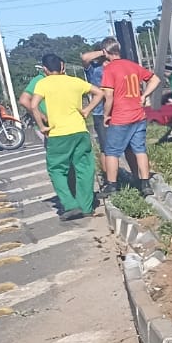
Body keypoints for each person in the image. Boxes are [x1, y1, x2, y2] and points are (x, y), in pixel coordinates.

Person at [27, 53, 105, 220]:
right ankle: (86, 206)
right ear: (62, 67)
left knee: (57, 169)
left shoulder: (43, 83)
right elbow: (99, 93)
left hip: (57, 134)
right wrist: (87, 110)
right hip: (80, 131)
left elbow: (33, 105)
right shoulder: (75, 81)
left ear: (45, 69)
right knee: (84, 168)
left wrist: (42, 126)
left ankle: (69, 204)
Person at [97, 39, 160, 195]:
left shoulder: (110, 69)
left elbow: (109, 96)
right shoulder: (132, 66)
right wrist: (144, 95)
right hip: (138, 114)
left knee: (111, 151)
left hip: (120, 116)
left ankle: (112, 185)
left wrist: (106, 115)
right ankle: (145, 183)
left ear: (105, 52)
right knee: (140, 149)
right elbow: (155, 79)